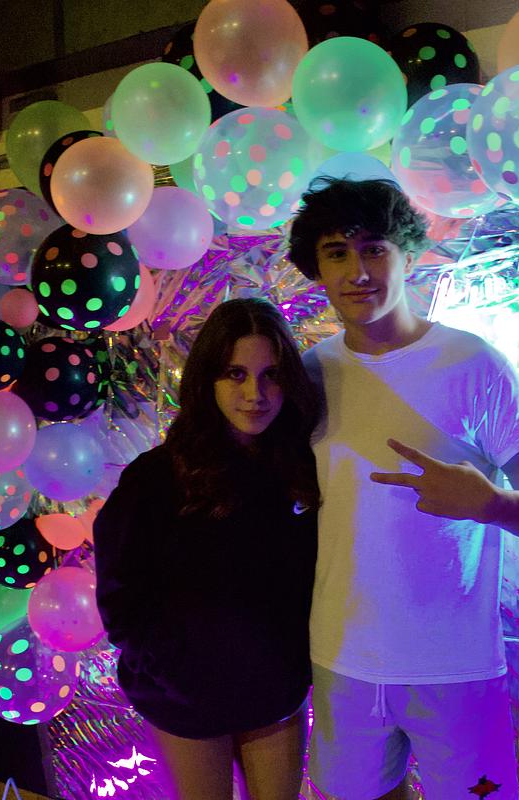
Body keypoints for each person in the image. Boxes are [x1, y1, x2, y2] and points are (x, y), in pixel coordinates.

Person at [288, 178, 519, 799]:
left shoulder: (472, 364)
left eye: (375, 248)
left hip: (455, 666)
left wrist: (492, 502)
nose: (358, 271)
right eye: (337, 253)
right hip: (343, 659)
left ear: (408, 254)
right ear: (317, 269)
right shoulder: (308, 376)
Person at [94, 298, 320, 800]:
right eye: (235, 374)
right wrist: (173, 670)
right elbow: (120, 598)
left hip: (274, 692)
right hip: (185, 699)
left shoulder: (302, 469)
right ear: (207, 380)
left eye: (270, 375)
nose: (254, 394)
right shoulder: (156, 478)